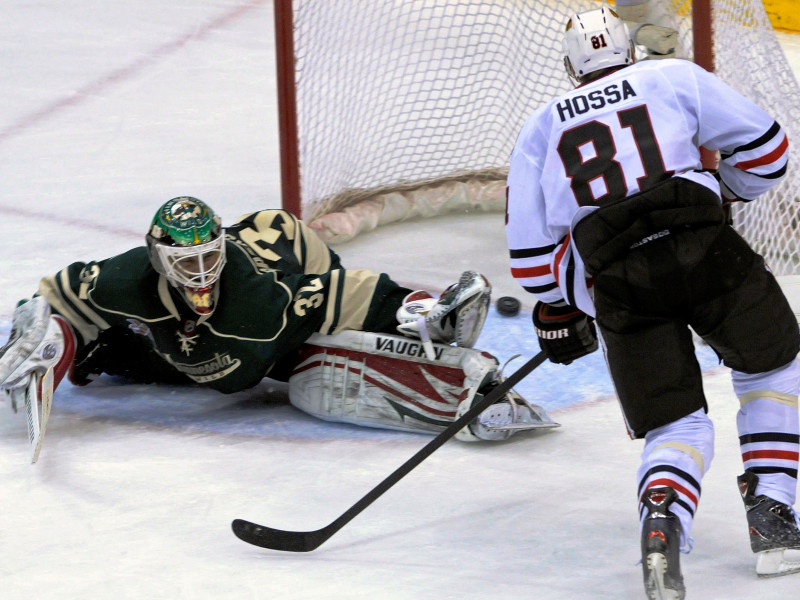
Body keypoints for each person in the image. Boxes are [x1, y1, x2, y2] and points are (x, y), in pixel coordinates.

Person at [505, 4, 800, 598]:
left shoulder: (538, 128)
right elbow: (769, 152)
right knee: (775, 366)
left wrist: (574, 306)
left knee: (677, 422)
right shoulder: (674, 77)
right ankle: (774, 515)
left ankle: (662, 522)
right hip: (707, 252)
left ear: (570, 68)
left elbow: (534, 265)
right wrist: (722, 197)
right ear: (630, 51)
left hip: (621, 283)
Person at [0, 197, 557, 448]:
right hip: (221, 338)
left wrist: (422, 311)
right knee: (184, 359)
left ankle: (468, 391)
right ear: (157, 258)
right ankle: (111, 355)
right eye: (183, 262)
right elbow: (57, 296)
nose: (200, 273)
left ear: (221, 248)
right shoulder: (127, 279)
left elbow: (344, 290)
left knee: (312, 374)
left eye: (207, 257)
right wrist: (47, 335)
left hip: (293, 250)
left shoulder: (260, 301)